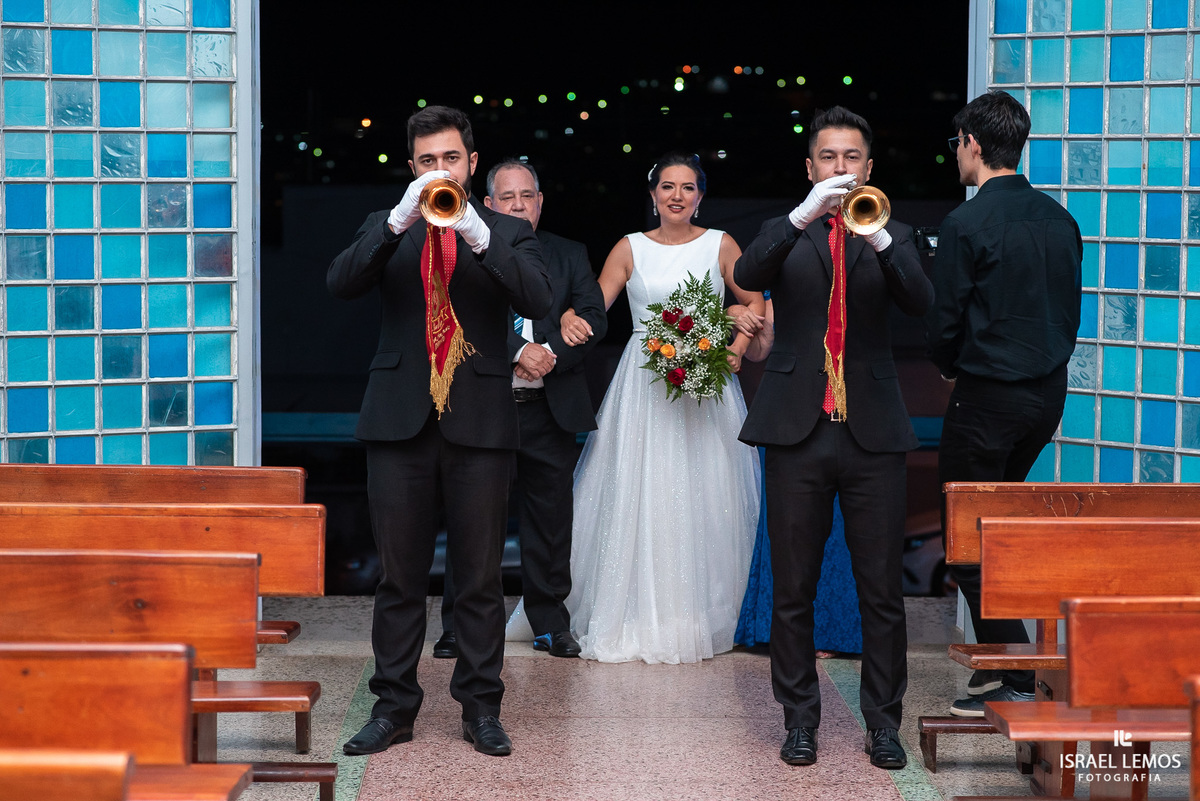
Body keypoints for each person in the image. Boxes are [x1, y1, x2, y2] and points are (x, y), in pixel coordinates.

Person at [328, 105, 551, 757]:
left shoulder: (507, 230)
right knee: (399, 577)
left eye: (449, 159)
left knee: (478, 577)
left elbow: (537, 298)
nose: (438, 170)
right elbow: (340, 282)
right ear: (411, 168)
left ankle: (481, 707)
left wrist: (480, 231)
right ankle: (393, 706)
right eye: (426, 161)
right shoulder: (387, 226)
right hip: (400, 421)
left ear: (471, 163)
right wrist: (399, 219)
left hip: (479, 419)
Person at [734, 106, 933, 770]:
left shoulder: (895, 233)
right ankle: (799, 720)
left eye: (852, 158)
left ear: (869, 168)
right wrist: (800, 214)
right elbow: (750, 275)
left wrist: (877, 237)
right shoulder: (781, 233)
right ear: (811, 166)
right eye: (828, 157)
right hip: (798, 429)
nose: (840, 168)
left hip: (872, 433)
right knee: (794, 587)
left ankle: (883, 722)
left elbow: (921, 301)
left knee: (881, 588)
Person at [564, 152, 764, 665]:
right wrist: (567, 316)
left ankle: (706, 615)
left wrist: (733, 350)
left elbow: (754, 300)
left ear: (701, 196)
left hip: (707, 378)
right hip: (644, 384)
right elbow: (596, 305)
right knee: (641, 488)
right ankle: (634, 612)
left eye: (688, 187)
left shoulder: (721, 244)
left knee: (708, 488)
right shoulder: (628, 248)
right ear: (652, 194)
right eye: (668, 186)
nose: (677, 195)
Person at [926, 91, 1082, 717]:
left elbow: (944, 325)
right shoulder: (1060, 219)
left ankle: (1017, 669)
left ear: (972, 141)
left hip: (986, 399)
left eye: (956, 143)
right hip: (1046, 401)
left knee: (963, 536)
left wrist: (946, 367)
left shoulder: (966, 223)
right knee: (996, 529)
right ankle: (1015, 666)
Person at [437, 159, 608, 660]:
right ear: (486, 204)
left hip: (548, 407)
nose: (518, 205)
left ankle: (550, 623)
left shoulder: (568, 253)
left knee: (550, 521)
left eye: (527, 196)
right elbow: (452, 317)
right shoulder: (462, 248)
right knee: (473, 519)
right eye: (507, 197)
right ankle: (457, 627)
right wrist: (517, 349)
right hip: (484, 405)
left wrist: (550, 354)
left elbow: (594, 315)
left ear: (539, 202)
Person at [731, 299, 864, 658]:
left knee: (838, 532)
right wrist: (734, 317)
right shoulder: (782, 292)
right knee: (788, 533)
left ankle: (832, 634)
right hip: (790, 419)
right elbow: (760, 352)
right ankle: (781, 632)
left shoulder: (858, 282)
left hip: (847, 417)